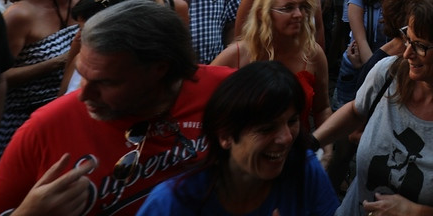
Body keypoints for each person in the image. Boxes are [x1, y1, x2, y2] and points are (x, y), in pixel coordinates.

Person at [0, 0, 230, 216]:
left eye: (106, 82)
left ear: (160, 69)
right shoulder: (45, 127)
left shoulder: (227, 91)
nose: (84, 95)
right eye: (82, 75)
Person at [316, 0, 433, 216]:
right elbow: (355, 111)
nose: (407, 53)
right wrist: (312, 143)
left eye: (421, 46)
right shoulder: (387, 73)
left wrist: (420, 212)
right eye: (408, 39)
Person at [136, 61, 337, 215]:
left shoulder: (304, 170)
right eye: (267, 128)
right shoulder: (172, 202)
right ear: (225, 136)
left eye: (292, 121)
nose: (285, 138)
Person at [0, 0, 106, 165]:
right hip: (19, 124)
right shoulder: (21, 15)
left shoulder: (81, 3)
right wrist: (59, 62)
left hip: (64, 116)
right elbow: (1, 77)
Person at [212, 0, 331, 128]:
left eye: (303, 7)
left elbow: (322, 108)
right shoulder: (236, 55)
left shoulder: (313, 54)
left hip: (297, 148)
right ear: (263, 13)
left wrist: (324, 148)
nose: (299, 14)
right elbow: (205, 102)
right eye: (288, 8)